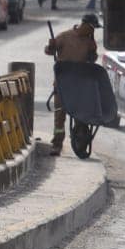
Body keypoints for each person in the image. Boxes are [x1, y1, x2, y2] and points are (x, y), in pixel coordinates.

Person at [43, 13, 99, 156]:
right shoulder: (65, 36)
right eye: (93, 28)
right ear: (86, 25)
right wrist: (50, 46)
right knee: (60, 117)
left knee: (81, 116)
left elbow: (92, 60)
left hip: (79, 86)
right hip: (62, 85)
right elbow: (49, 51)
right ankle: (57, 145)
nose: (93, 32)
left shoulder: (89, 42)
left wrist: (93, 54)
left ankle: (80, 140)